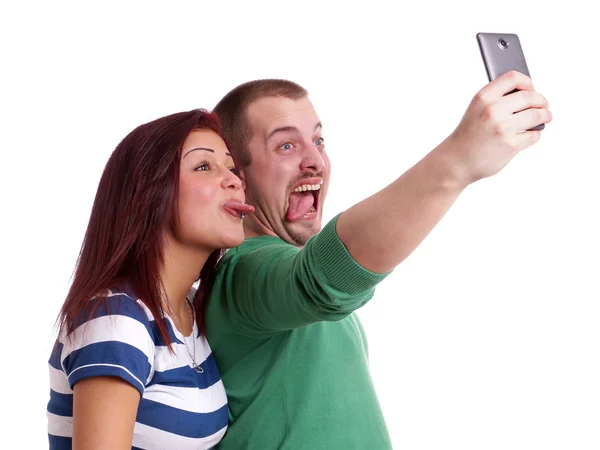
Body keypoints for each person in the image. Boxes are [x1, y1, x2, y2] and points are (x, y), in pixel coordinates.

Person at [204, 71, 552, 449]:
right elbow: (322, 278)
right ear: (238, 175)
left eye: (319, 140)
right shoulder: (241, 277)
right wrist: (458, 160)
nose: (316, 160)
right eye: (286, 146)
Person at [47, 109, 254, 449]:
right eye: (204, 166)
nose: (234, 180)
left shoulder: (189, 314)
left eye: (231, 169)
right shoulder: (116, 319)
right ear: (151, 191)